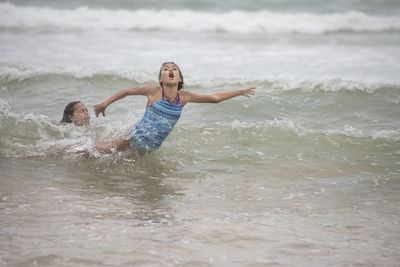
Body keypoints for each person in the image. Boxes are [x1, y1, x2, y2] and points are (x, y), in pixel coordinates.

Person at [92, 62, 256, 154]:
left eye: (174, 69)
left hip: (149, 148)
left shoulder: (184, 97)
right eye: (165, 69)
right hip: (131, 138)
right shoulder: (154, 92)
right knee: (95, 154)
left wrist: (240, 91)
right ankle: (72, 151)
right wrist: (105, 104)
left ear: (179, 78)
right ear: (160, 78)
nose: (170, 70)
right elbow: (127, 91)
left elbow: (215, 99)